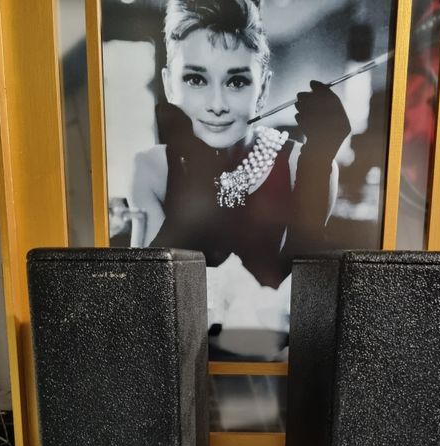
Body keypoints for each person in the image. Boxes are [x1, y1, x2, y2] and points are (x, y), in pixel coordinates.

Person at [129, 0, 350, 330]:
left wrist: (316, 165)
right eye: (196, 79)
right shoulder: (151, 168)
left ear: (263, 90)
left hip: (272, 357)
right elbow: (147, 301)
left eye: (236, 82)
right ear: (169, 84)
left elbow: (302, 303)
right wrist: (194, 176)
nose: (217, 105)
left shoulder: (301, 164)